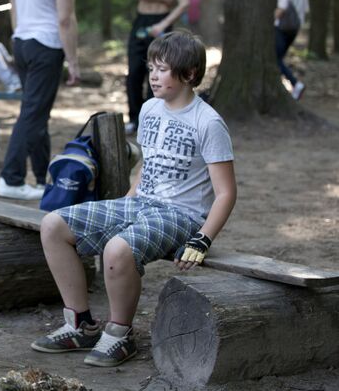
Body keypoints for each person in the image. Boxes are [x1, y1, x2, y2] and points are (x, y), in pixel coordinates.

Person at [32, 31, 236, 367]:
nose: (153, 75)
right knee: (53, 225)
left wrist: (203, 239)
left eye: (162, 69)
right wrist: (127, 202)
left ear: (188, 74)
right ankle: (80, 325)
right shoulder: (150, 109)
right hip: (141, 203)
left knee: (117, 249)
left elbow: (226, 192)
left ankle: (120, 335)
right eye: (151, 68)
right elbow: (147, 163)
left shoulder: (208, 122)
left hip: (182, 216)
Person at [0, 0, 80, 201]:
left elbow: (14, 6)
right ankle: (11, 178)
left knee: (36, 113)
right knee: (32, 113)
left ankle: (44, 177)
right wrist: (73, 61)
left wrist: (19, 38)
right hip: (46, 46)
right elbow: (65, 19)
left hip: (22, 42)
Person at [125, 0, 190, 135]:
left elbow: (184, 3)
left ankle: (150, 118)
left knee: (158, 72)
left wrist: (163, 24)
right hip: (141, 22)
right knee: (135, 70)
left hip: (162, 24)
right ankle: (134, 118)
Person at [274, 0, 309, 100]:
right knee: (278, 57)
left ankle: (295, 84)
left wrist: (273, 19)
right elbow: (305, 9)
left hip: (282, 27)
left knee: (275, 58)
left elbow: (282, 7)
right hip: (295, 28)